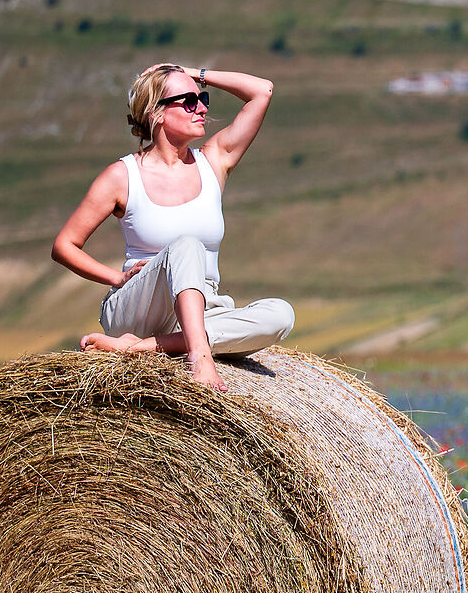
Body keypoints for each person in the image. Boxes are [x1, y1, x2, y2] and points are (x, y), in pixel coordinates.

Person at [53, 62, 293, 390]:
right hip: (140, 306)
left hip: (201, 306)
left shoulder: (213, 161)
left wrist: (194, 74)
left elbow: (262, 91)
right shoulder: (123, 176)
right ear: (157, 113)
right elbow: (64, 245)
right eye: (190, 101)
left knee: (281, 315)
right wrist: (116, 278)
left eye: (203, 99)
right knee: (187, 245)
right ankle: (200, 357)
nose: (202, 108)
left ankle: (138, 348)